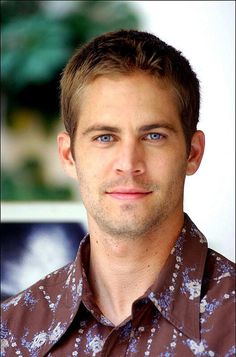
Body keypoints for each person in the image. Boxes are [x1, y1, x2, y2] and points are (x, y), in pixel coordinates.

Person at [1, 29, 235, 357]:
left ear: (193, 153)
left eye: (153, 136)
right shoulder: (11, 333)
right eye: (105, 137)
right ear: (68, 155)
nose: (128, 164)